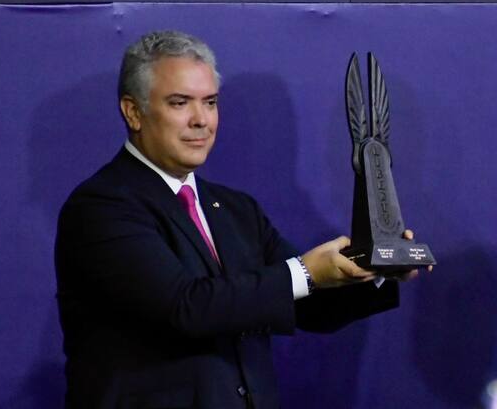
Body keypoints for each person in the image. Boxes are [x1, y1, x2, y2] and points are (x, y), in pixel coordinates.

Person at [55, 30, 419, 408]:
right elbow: (185, 308)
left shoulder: (236, 210)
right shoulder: (101, 207)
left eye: (210, 102)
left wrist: (375, 269)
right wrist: (308, 272)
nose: (201, 120)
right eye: (180, 103)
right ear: (133, 111)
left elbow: (306, 304)